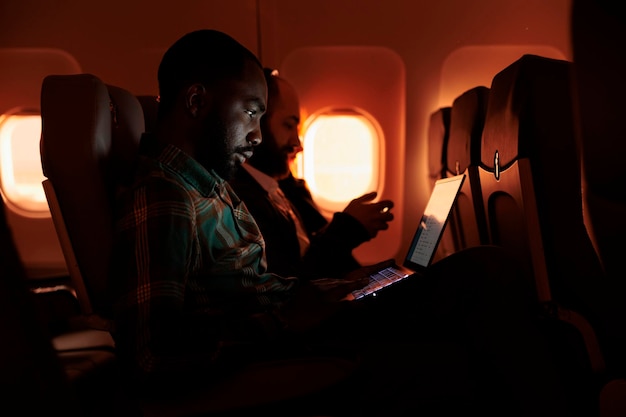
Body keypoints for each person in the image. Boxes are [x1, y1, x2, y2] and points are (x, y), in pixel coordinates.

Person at [109, 29, 574, 417]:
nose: (256, 132)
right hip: (281, 352)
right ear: (195, 101)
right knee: (483, 278)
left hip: (301, 325)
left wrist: (330, 290)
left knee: (475, 286)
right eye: (252, 111)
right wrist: (285, 320)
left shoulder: (208, 183)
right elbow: (152, 356)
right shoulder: (166, 194)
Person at [228, 68, 393, 279]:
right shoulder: (244, 201)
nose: (297, 144)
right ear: (256, 124)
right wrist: (347, 229)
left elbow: (307, 253)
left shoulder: (276, 188)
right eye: (288, 126)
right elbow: (292, 284)